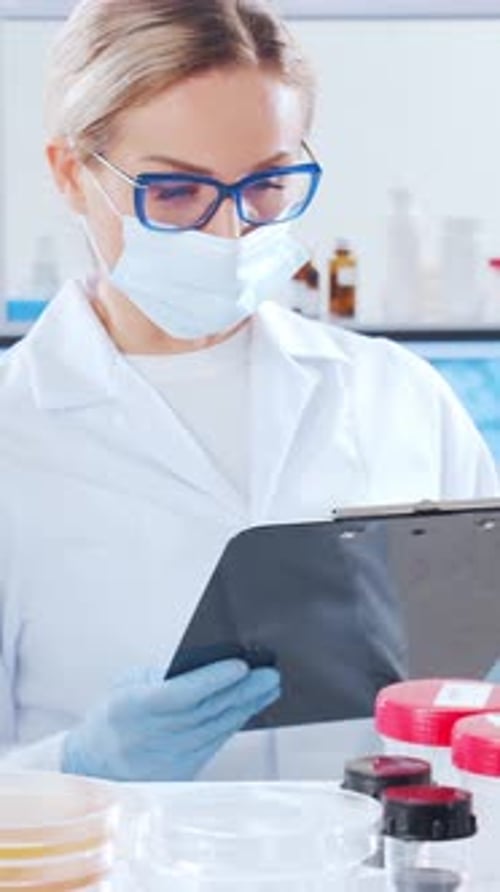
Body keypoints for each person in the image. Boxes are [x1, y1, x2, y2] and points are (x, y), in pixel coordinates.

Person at [0, 0, 496, 782]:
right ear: (71, 173)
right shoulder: (14, 431)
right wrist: (76, 764)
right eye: (174, 193)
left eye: (267, 184)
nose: (228, 234)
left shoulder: (394, 394)